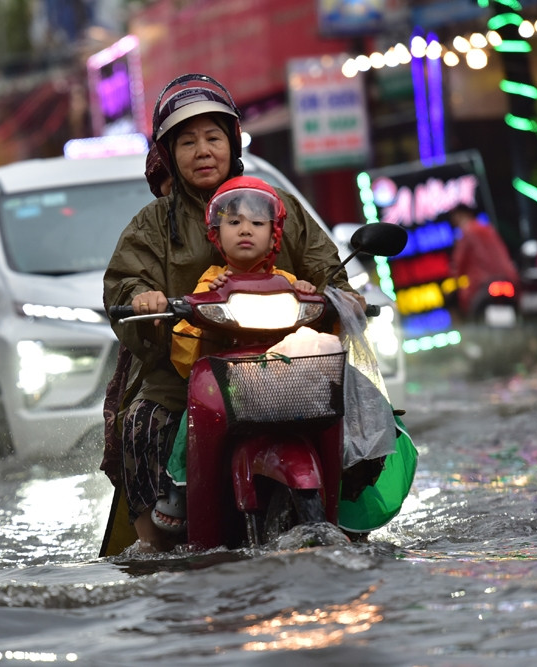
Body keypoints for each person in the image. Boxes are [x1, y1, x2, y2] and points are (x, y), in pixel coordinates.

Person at [102, 73, 356, 552]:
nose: (202, 151)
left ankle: (348, 506)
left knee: (356, 415)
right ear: (168, 154)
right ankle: (156, 545)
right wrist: (145, 299)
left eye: (213, 137)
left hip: (283, 367)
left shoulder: (277, 206)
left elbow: (323, 264)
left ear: (232, 143)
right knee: (142, 423)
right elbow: (125, 279)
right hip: (182, 372)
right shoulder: (154, 223)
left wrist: (339, 291)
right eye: (188, 141)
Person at [152, 175, 316, 531]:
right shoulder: (210, 281)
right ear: (216, 232)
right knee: (192, 414)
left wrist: (306, 291)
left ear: (274, 233)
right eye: (234, 222)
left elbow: (311, 324)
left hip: (279, 381)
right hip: (226, 385)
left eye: (258, 223)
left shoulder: (287, 280)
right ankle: (180, 483)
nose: (246, 230)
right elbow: (186, 344)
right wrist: (201, 302)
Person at [446, 203, 520, 320]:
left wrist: (452, 285)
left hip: (482, 284)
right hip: (508, 279)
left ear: (461, 216)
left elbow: (458, 263)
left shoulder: (466, 232)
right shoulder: (488, 229)